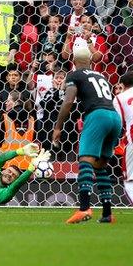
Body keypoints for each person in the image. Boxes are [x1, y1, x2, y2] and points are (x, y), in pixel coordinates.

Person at [52, 47, 122, 224]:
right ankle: (107, 214)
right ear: (90, 61)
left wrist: (58, 127)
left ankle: (84, 209)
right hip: (114, 117)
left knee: (85, 162)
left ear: (74, 62)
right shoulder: (101, 76)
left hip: (97, 116)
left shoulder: (74, 75)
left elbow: (68, 101)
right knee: (100, 166)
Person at [113, 71, 133, 203]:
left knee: (129, 179)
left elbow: (118, 124)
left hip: (132, 140)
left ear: (123, 86)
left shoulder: (119, 98)